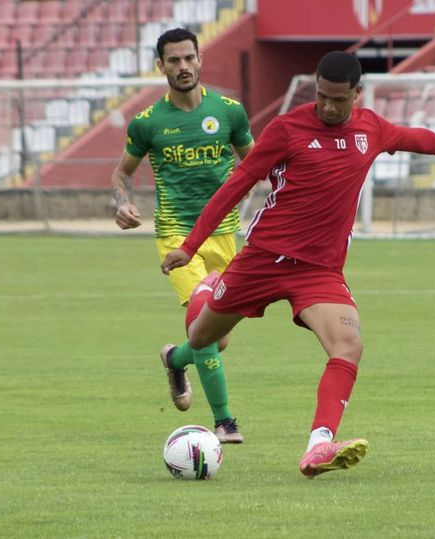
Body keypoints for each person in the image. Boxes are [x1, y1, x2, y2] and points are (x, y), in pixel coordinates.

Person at [160, 51, 435, 478]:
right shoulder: (287, 128)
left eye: (338, 99)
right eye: (321, 97)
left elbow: (414, 137)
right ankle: (176, 357)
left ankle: (319, 445)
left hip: (319, 270)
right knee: (204, 339)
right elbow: (236, 186)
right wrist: (190, 245)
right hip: (262, 260)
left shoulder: (372, 128)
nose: (328, 107)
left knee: (349, 346)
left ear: (357, 95)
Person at [110, 28, 254, 443]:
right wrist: (121, 202)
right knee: (205, 326)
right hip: (176, 238)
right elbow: (122, 173)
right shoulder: (149, 123)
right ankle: (225, 421)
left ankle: (175, 359)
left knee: (218, 340)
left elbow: (258, 164)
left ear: (200, 59)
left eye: (188, 58)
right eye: (173, 60)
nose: (183, 66)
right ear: (161, 66)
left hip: (226, 234)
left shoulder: (229, 113)